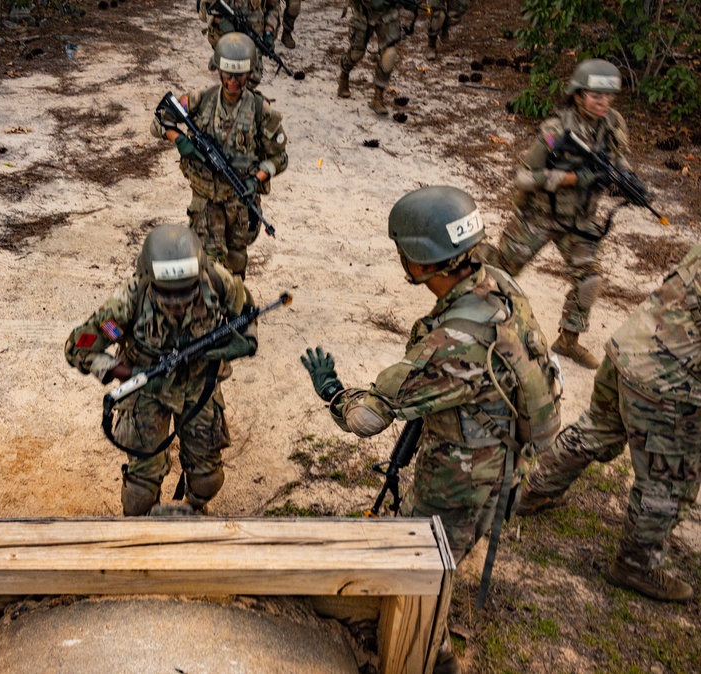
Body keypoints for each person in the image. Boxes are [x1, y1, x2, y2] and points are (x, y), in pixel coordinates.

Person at [301, 186, 561, 674]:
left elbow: (368, 417)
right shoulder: (500, 282)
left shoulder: (450, 346)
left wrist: (334, 392)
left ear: (421, 263)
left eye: (404, 250)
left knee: (421, 568)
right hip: (510, 461)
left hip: (460, 480)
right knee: (451, 553)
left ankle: (426, 657)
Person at [517, 243, 701, 603]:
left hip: (629, 347)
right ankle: (636, 565)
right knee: (668, 479)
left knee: (596, 428)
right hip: (668, 383)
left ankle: (535, 491)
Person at [64, 224, 258, 516]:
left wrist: (246, 342)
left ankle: (194, 508)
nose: (177, 305)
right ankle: (140, 532)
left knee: (208, 478)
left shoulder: (219, 282)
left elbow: (246, 312)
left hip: (198, 385)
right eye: (167, 295)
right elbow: (78, 348)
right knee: (140, 491)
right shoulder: (127, 303)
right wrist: (130, 375)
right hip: (146, 391)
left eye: (186, 293)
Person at [478, 59, 643, 370]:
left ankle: (568, 340)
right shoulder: (556, 130)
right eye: (596, 96)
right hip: (539, 216)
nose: (603, 103)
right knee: (500, 271)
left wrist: (628, 182)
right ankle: (466, 298)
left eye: (608, 97)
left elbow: (618, 160)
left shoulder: (612, 125)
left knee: (589, 281)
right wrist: (574, 179)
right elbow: (524, 177)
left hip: (578, 222)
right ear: (578, 95)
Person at [151, 33, 288, 278]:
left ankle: (235, 309)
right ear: (218, 70)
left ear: (249, 74)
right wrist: (179, 139)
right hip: (205, 199)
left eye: (239, 75)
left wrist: (256, 178)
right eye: (228, 74)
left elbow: (280, 158)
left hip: (239, 200)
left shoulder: (260, 110)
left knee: (236, 261)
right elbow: (158, 122)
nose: (233, 81)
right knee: (207, 263)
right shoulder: (200, 100)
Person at [337, 0, 402, 114]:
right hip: (364, 12)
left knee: (389, 54)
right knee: (356, 53)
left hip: (387, 14)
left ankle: (378, 97)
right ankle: (344, 75)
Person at [200, 0, 280, 88]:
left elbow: (273, 9)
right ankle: (220, 54)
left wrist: (268, 32)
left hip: (252, 38)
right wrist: (221, 21)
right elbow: (204, 10)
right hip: (224, 35)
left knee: (253, 78)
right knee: (230, 77)